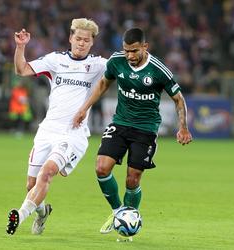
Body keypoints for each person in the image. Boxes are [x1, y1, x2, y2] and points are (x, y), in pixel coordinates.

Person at [73, 28, 192, 240]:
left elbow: (178, 99)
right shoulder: (117, 61)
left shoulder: (158, 70)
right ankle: (119, 213)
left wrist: (183, 127)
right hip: (120, 123)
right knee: (101, 168)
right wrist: (84, 108)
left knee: (132, 179)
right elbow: (103, 84)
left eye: (134, 51)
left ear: (145, 47)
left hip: (145, 129)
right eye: (126, 50)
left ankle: (129, 220)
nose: (129, 56)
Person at [6, 18, 107, 235]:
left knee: (48, 172)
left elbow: (126, 67)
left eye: (86, 40)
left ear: (92, 43)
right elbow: (21, 70)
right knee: (31, 185)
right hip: (47, 130)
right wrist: (21, 47)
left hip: (72, 134)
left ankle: (20, 215)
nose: (81, 43)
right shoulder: (55, 60)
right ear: (71, 38)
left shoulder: (99, 65)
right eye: (78, 38)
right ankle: (43, 213)